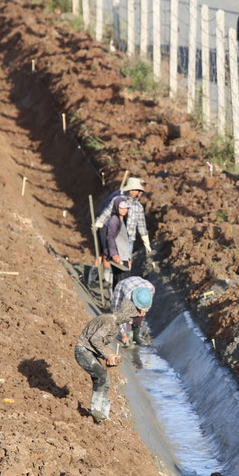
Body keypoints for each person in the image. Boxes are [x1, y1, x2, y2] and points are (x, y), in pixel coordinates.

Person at [73, 280, 155, 422]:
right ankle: (96, 410)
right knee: (101, 377)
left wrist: (110, 356)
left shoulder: (114, 324)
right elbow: (95, 339)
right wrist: (108, 354)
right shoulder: (110, 322)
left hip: (89, 351)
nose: (130, 321)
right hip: (83, 350)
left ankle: (102, 412)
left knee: (105, 380)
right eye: (131, 318)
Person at [93, 176, 154, 280]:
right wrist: (99, 223)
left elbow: (141, 225)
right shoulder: (118, 200)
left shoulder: (138, 207)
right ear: (129, 189)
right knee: (110, 257)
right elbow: (107, 212)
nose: (135, 192)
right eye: (133, 190)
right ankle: (107, 279)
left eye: (137, 190)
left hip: (129, 240)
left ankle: (119, 282)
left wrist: (146, 242)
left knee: (125, 264)